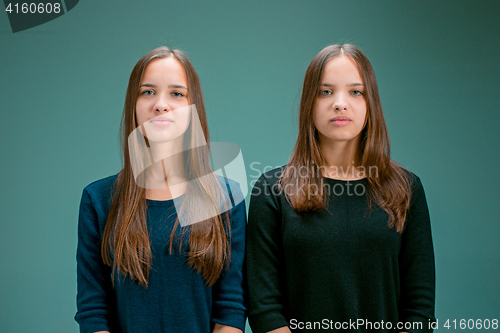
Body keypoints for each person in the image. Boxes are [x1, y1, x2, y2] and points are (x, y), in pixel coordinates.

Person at [246, 44, 435, 333]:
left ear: (371, 103)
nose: (340, 103)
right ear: (309, 103)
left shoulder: (406, 189)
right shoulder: (272, 191)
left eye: (355, 92)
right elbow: (265, 309)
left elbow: (419, 308)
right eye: (326, 91)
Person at [75, 47, 246, 333]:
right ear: (134, 104)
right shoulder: (98, 200)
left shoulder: (227, 198)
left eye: (177, 94)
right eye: (148, 92)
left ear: (194, 108)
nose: (161, 104)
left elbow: (230, 309)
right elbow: (93, 311)